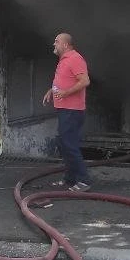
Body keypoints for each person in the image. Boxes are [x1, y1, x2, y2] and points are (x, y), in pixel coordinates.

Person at [42, 33, 91, 192]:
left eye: (56, 41)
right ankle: (70, 179)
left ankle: (83, 180)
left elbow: (85, 81)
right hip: (65, 110)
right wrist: (52, 90)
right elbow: (64, 80)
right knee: (64, 143)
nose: (54, 44)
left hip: (72, 110)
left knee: (69, 144)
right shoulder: (64, 61)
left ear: (65, 45)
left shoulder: (75, 59)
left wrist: (66, 93)